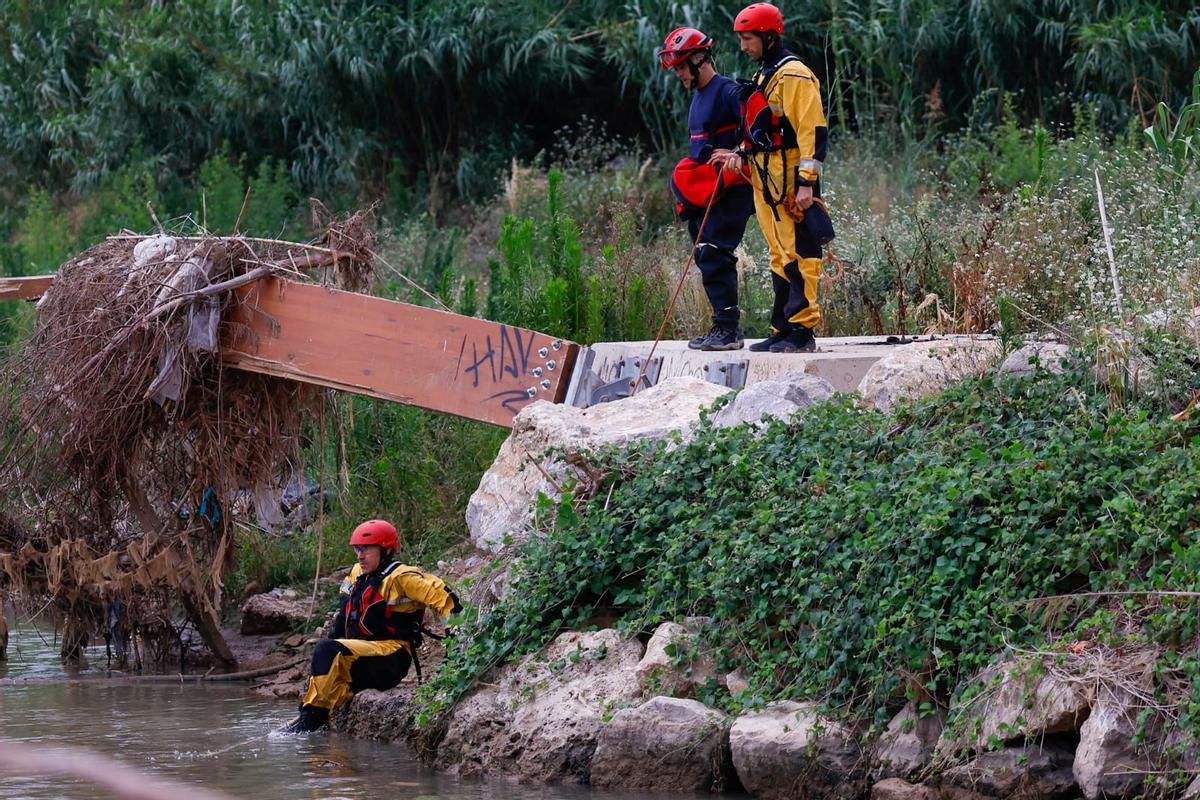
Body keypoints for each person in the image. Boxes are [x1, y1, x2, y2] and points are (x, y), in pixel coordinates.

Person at [713, 3, 833, 353]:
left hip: (791, 175)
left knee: (801, 253)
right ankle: (782, 327)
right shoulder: (765, 73)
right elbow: (762, 127)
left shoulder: (794, 75)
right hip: (766, 175)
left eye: (748, 39)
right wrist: (739, 153)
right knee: (779, 253)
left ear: (768, 36)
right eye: (741, 39)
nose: (743, 46)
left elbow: (813, 131)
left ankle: (802, 331)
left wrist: (807, 183)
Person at [288, 519, 460, 732]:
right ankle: (314, 731)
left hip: (391, 658)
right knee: (325, 659)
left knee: (326, 650)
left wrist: (456, 647)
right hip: (362, 657)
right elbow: (343, 617)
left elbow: (446, 600)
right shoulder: (356, 573)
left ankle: (311, 722)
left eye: (367, 549)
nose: (360, 555)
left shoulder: (402, 577)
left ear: (386, 550)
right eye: (357, 549)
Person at [658, 26, 756, 351]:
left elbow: (760, 128)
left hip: (735, 187)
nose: (680, 75)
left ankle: (728, 331)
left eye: (683, 67)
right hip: (708, 189)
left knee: (713, 251)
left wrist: (738, 152)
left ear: (700, 58)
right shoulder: (698, 97)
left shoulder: (728, 91)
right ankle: (722, 327)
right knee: (705, 253)